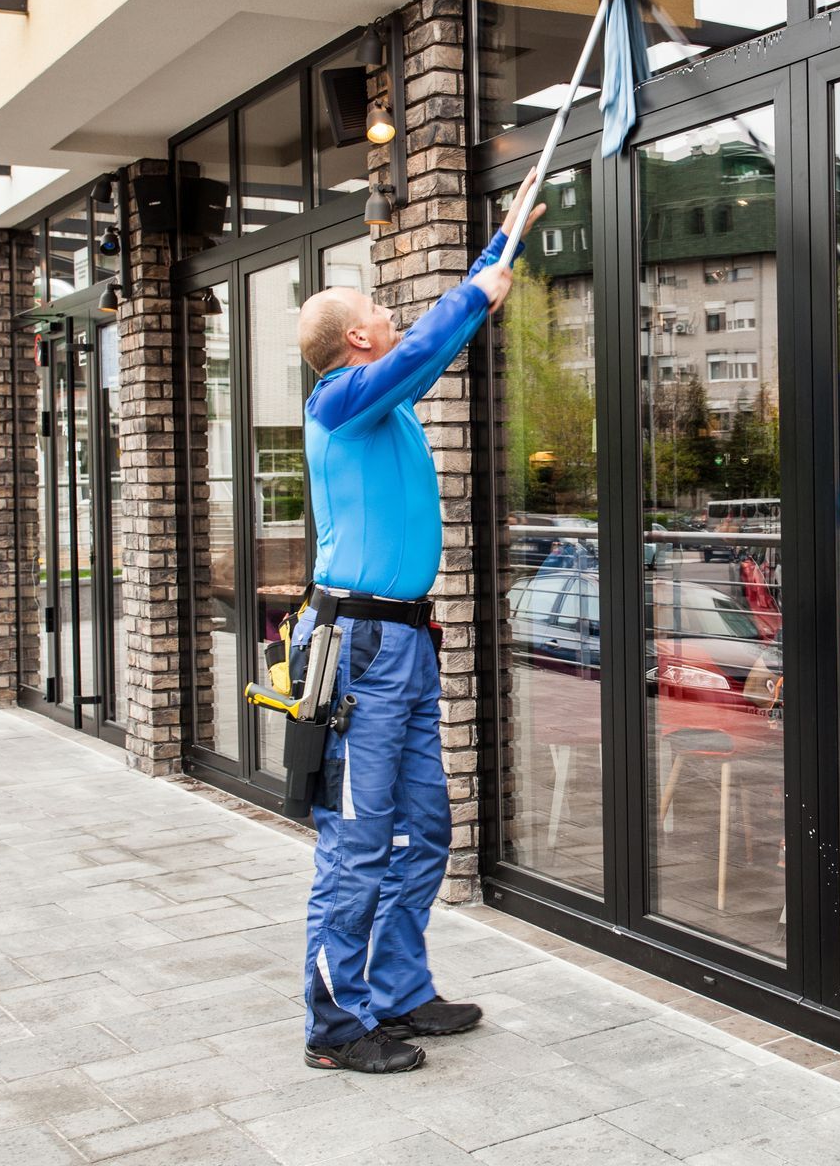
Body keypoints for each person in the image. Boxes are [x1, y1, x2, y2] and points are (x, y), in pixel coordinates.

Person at [291, 171, 545, 1074]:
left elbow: (432, 350)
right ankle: (336, 1026)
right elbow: (417, 353)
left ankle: (398, 992)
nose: (391, 313)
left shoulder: (385, 399)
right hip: (355, 646)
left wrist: (497, 252)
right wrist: (478, 285)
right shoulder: (338, 401)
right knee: (358, 841)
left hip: (403, 641)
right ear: (355, 337)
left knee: (424, 825)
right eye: (378, 306)